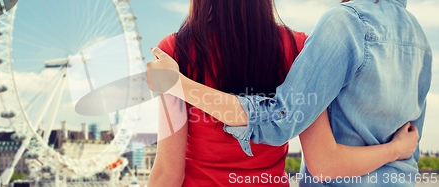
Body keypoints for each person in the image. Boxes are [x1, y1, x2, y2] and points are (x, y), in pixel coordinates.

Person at [146, 0, 431, 186]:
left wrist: (177, 83)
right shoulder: (295, 46)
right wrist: (396, 150)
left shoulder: (176, 53)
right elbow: (324, 154)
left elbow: (168, 172)